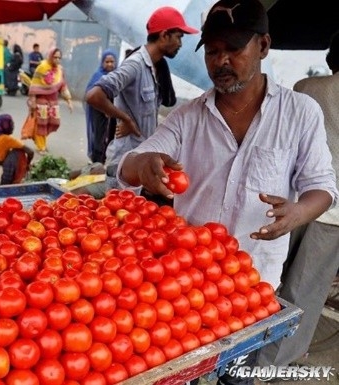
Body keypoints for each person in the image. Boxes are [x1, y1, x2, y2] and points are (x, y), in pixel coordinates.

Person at [117, 0, 338, 384]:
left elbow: (322, 187)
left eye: (234, 50)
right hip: (183, 280)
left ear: (264, 46)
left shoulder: (301, 112)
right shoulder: (188, 117)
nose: (221, 61)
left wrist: (299, 213)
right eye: (214, 51)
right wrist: (146, 165)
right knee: (178, 371)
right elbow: (130, 162)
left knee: (237, 376)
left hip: (251, 285)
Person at [257, 30, 339, 369]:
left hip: (292, 202)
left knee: (268, 277)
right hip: (333, 215)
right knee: (305, 291)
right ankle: (272, 364)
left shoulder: (308, 88)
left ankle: (244, 346)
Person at [85, 6, 198, 193]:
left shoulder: (155, 67)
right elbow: (94, 95)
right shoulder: (135, 64)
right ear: (164, 35)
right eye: (178, 36)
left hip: (141, 159)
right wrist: (126, 119)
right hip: (124, 163)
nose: (180, 44)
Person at [27, 48, 73, 154]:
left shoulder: (60, 69)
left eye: (59, 58)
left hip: (53, 101)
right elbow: (34, 84)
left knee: (53, 123)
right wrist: (33, 101)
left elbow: (63, 85)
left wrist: (69, 101)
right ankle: (41, 146)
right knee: (41, 123)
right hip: (41, 101)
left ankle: (40, 140)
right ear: (50, 56)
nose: (57, 60)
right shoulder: (42, 67)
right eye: (55, 57)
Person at [84, 49, 118, 163]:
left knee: (110, 137)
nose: (109, 64)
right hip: (98, 112)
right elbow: (90, 95)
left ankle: (105, 161)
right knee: (99, 136)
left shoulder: (118, 76)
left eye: (112, 62)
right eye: (107, 62)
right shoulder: (98, 76)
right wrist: (104, 109)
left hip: (112, 113)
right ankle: (97, 161)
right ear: (102, 62)